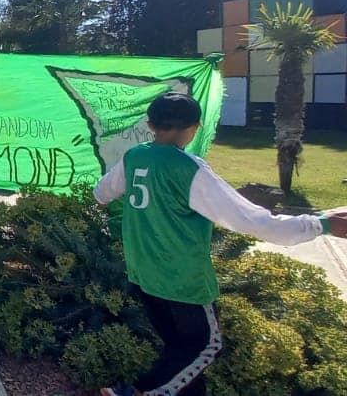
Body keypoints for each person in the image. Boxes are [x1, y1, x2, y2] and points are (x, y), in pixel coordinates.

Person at [94, 92, 347, 396]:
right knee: (206, 348)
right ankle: (132, 392)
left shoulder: (135, 157)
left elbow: (101, 193)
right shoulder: (190, 169)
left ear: (150, 124)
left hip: (142, 275)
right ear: (195, 127)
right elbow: (255, 222)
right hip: (183, 284)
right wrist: (322, 223)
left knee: (179, 350)